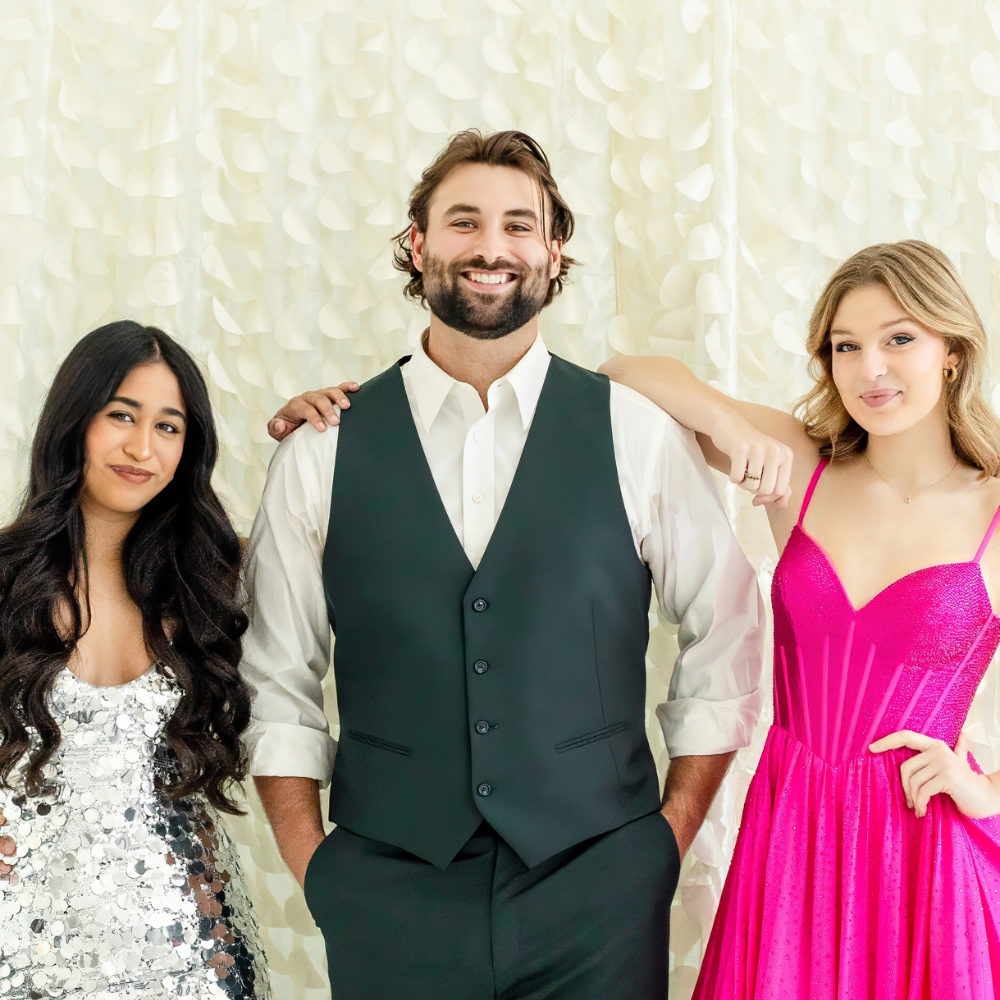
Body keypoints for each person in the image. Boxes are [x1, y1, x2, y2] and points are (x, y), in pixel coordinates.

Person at [246, 129, 764, 1000]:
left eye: (520, 225)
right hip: (388, 888)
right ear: (419, 243)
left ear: (554, 249)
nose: (492, 247)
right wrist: (318, 870)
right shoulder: (322, 451)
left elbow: (727, 633)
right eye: (464, 222)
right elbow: (276, 675)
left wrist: (664, 841)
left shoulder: (634, 431)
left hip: (599, 884)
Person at [596, 240, 1000, 998]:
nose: (870, 369)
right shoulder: (802, 465)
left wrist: (988, 791)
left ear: (951, 351)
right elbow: (623, 377)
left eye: (899, 339)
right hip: (793, 829)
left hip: (922, 849)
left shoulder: (994, 511)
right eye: (846, 347)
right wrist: (730, 424)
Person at [0, 322, 270, 999]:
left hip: (191, 944)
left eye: (169, 427)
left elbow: (358, 550)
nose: (142, 447)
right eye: (121, 415)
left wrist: (320, 430)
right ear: (74, 420)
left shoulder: (216, 576)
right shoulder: (5, 577)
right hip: (23, 949)